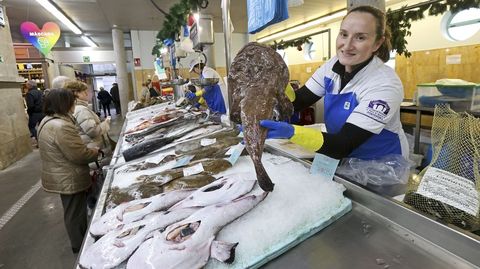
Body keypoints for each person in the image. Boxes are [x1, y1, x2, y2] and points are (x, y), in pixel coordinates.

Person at [260, 5, 409, 162]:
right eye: (344, 34)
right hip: (342, 157)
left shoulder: (385, 84)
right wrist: (278, 80)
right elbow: (298, 101)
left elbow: (344, 144)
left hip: (382, 167)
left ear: (377, 43)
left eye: (360, 37)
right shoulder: (332, 66)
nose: (347, 45)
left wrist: (291, 132)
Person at [37, 88, 99, 254]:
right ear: (64, 104)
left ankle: (79, 242)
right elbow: (79, 155)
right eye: (72, 101)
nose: (74, 104)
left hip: (60, 174)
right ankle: (81, 247)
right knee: (75, 213)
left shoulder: (47, 120)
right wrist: (94, 151)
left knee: (73, 211)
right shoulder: (61, 126)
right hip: (69, 176)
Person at [64, 81, 111, 153]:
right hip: (92, 147)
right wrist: (106, 123)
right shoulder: (81, 109)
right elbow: (93, 131)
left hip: (89, 145)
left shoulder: (76, 107)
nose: (87, 93)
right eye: (84, 91)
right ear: (76, 93)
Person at [25, 80, 44, 145]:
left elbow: (30, 106)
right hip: (43, 112)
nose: (26, 86)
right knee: (42, 126)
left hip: (34, 113)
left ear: (30, 85)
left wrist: (29, 112)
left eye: (27, 85)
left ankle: (39, 140)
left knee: (31, 127)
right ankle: (45, 140)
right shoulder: (41, 92)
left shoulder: (29, 94)